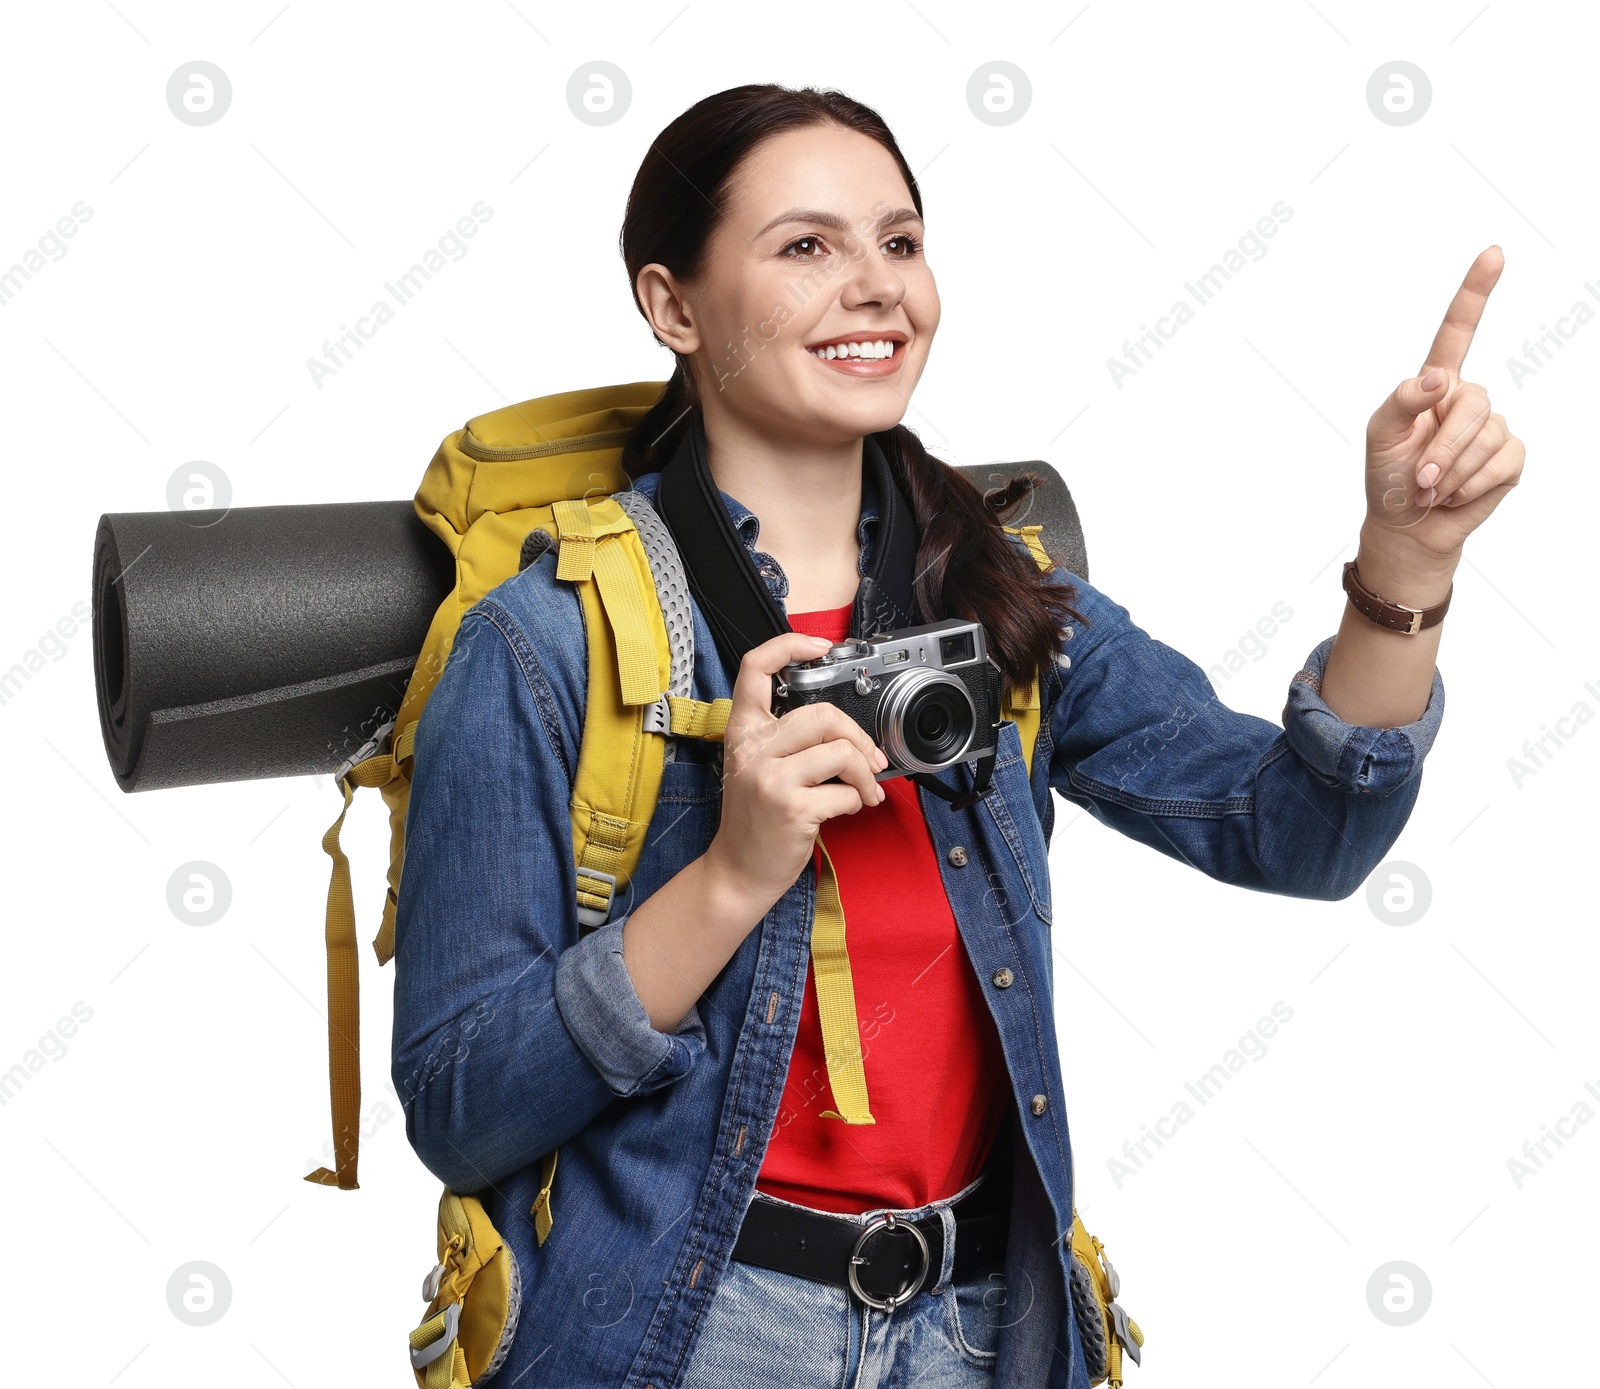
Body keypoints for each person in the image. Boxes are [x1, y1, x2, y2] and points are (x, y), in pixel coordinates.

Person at [390, 83, 1523, 1389]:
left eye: (901, 241)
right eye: (806, 246)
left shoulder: (1003, 594)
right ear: (674, 306)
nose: (876, 286)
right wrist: (734, 874)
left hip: (985, 1326)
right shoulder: (545, 642)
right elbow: (463, 1105)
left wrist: (1405, 558)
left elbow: (1302, 831)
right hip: (687, 1332)